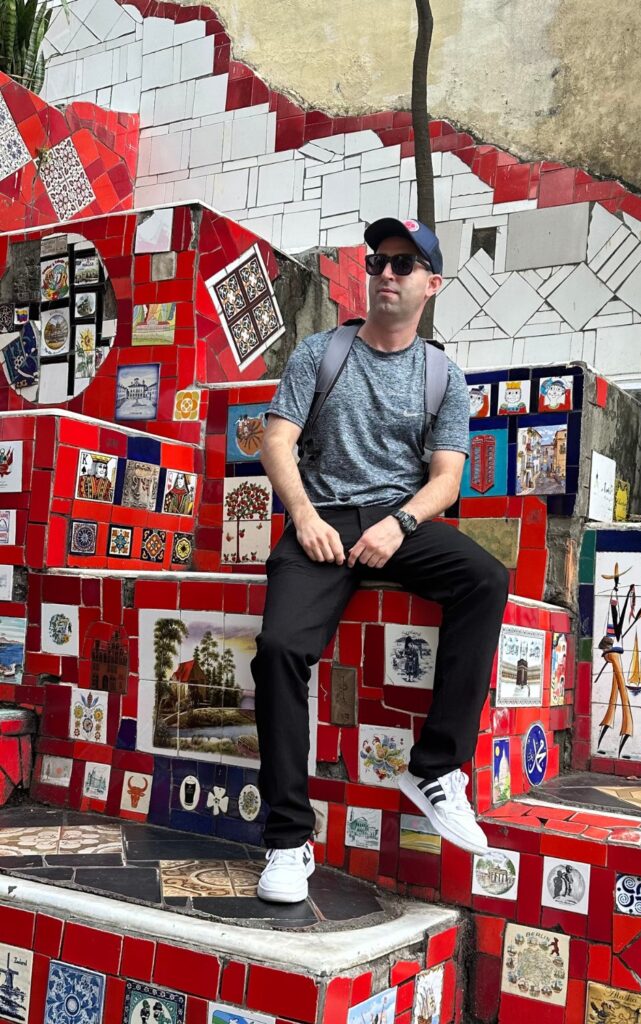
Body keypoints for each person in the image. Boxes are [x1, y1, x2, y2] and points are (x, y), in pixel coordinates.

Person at [252, 217, 509, 903]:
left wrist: (399, 524)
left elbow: (446, 480)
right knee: (278, 647)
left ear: (432, 282)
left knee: (485, 579)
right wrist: (302, 516)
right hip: (323, 521)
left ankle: (436, 768)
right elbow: (277, 442)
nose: (386, 274)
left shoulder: (441, 376)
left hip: (398, 522)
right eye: (378, 261)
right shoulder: (322, 353)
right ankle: (286, 839)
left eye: (403, 264)